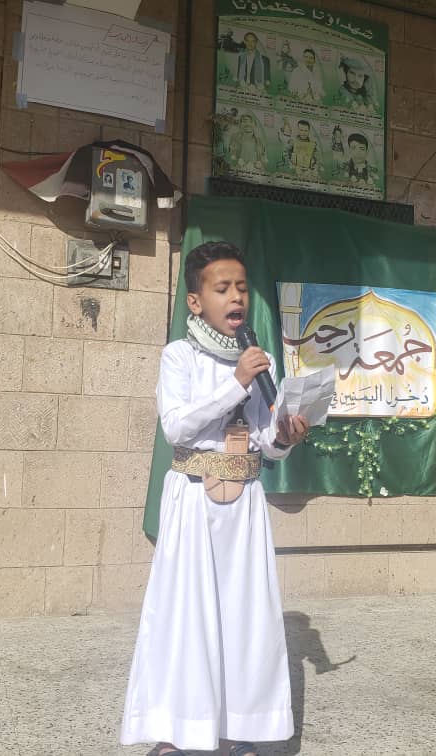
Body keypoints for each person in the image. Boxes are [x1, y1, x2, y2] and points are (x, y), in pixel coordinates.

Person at [120, 241, 310, 756]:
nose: (236, 297)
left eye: (242, 288)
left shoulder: (258, 360)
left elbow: (264, 440)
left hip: (245, 505)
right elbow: (177, 426)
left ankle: (240, 729)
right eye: (222, 288)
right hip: (193, 503)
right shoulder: (178, 356)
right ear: (195, 301)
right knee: (185, 616)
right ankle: (176, 734)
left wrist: (285, 436)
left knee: (246, 617)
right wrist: (236, 382)